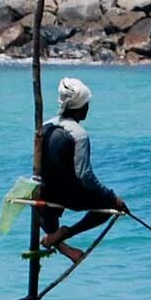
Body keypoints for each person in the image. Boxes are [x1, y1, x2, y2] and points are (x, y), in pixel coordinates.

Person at [35, 77, 126, 265]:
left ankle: (62, 245)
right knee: (110, 208)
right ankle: (67, 233)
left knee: (36, 197)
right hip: (68, 196)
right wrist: (111, 196)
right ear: (81, 108)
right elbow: (84, 176)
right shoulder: (79, 134)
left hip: (46, 193)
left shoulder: (44, 128)